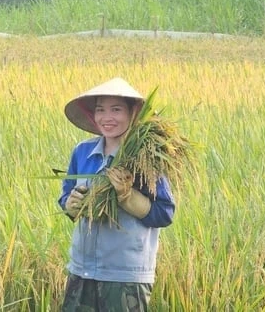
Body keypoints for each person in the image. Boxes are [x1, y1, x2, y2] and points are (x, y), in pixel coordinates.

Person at [57, 77, 176, 311]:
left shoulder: (146, 157)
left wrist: (127, 196)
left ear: (133, 113)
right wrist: (70, 205)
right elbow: (65, 195)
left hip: (125, 275)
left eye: (116, 109)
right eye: (100, 109)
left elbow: (165, 213)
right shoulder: (82, 152)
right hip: (82, 269)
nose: (106, 117)